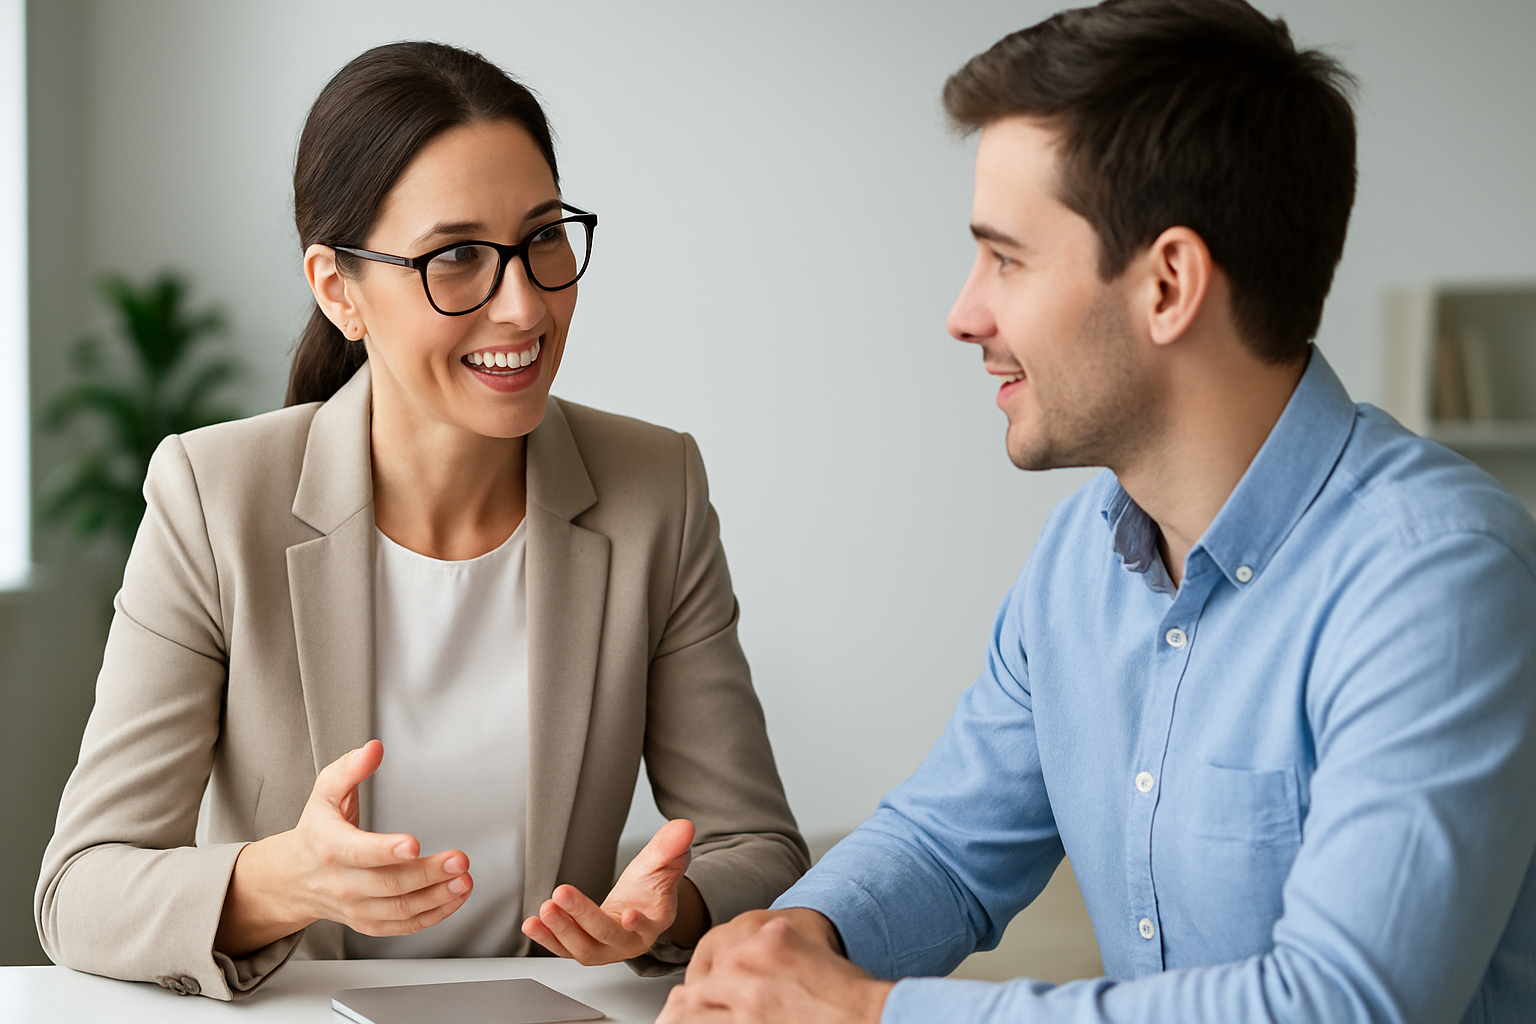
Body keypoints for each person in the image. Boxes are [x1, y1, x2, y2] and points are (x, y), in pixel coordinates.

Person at [658, 2, 1536, 1022]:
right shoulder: (1082, 554)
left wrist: (867, 1011)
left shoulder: (1440, 579)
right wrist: (792, 943)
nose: (964, 312)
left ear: (1168, 284)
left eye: (1007, 258)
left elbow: (1339, 1006)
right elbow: (945, 847)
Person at [35, 41, 807, 1001]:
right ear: (337, 290)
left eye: (543, 239)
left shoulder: (658, 487)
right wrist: (287, 879)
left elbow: (761, 850)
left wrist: (669, 912)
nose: (523, 305)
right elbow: (80, 890)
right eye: (456, 259)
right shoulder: (212, 496)